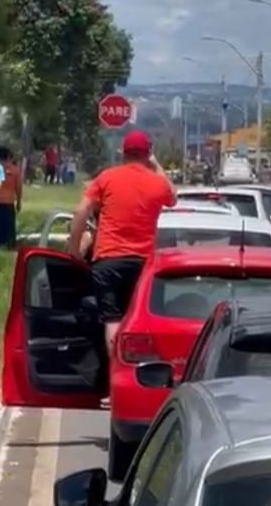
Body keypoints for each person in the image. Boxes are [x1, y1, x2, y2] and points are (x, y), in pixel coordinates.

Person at [68, 130, 177, 393]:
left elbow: (82, 211)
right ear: (147, 153)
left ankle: (116, 383)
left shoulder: (106, 178)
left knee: (112, 320)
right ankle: (142, 382)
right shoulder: (156, 183)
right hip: (143, 263)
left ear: (123, 153)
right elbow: (173, 197)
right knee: (140, 320)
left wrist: (73, 247)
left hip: (109, 260)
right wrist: (156, 164)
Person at [0, 146, 23, 249]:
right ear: (8, 156)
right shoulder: (14, 170)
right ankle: (9, 243)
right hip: (9, 201)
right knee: (9, 225)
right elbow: (18, 187)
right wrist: (19, 201)